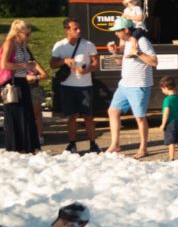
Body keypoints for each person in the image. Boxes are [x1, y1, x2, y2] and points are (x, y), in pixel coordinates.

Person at [105, 17, 158, 158]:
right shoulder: (128, 42)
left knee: (140, 117)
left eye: (117, 31)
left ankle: (143, 147)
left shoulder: (141, 41)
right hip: (124, 84)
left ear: (126, 30)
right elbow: (122, 63)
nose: (116, 34)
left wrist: (138, 53)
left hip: (139, 85)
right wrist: (115, 53)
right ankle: (115, 144)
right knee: (113, 111)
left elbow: (154, 61)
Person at [50, 18, 100, 154]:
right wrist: (64, 61)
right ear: (67, 30)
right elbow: (52, 64)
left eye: (79, 28)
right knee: (72, 116)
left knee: (88, 116)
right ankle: (72, 144)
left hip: (85, 86)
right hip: (67, 86)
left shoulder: (88, 44)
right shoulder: (60, 45)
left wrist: (87, 70)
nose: (79, 31)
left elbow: (96, 62)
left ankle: (93, 144)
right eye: (75, 29)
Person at [1, 20, 42, 154]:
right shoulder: (10, 43)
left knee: (27, 114)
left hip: (22, 81)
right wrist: (23, 66)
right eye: (26, 33)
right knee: (17, 114)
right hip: (12, 83)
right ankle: (17, 147)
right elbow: (4, 64)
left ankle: (28, 146)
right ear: (17, 32)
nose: (28, 36)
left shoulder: (22, 45)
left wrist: (30, 68)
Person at [158, 76, 178, 161]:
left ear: (165, 88)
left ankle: (171, 158)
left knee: (171, 141)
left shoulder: (167, 100)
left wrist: (163, 124)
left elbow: (166, 112)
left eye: (162, 89)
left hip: (170, 123)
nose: (162, 91)